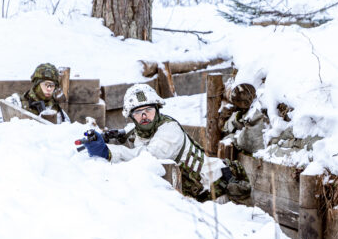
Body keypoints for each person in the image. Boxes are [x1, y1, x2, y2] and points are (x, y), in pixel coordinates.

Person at [82, 83, 251, 202]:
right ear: (131, 116)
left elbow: (146, 158)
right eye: (138, 112)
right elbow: (128, 134)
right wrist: (106, 137)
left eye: (149, 110)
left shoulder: (170, 131)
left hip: (219, 191)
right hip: (196, 195)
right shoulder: (139, 130)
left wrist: (107, 151)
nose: (144, 116)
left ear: (157, 109)